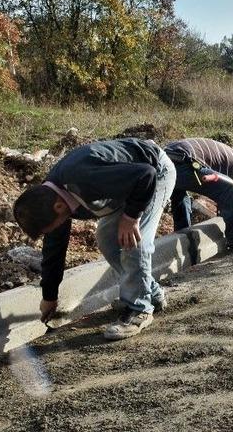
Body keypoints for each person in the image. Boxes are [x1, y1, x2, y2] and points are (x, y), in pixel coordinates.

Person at [13, 138, 176, 340]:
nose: (52, 231)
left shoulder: (81, 177)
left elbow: (146, 174)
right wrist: (49, 296)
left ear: (59, 208)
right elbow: (54, 248)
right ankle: (150, 293)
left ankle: (139, 309)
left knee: (134, 240)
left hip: (155, 173)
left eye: (50, 228)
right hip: (129, 185)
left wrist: (131, 217)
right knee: (107, 239)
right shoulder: (52, 198)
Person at [164, 138, 233, 247]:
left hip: (165, 161)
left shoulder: (228, 153)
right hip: (184, 162)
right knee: (228, 187)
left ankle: (182, 232)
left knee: (180, 196)